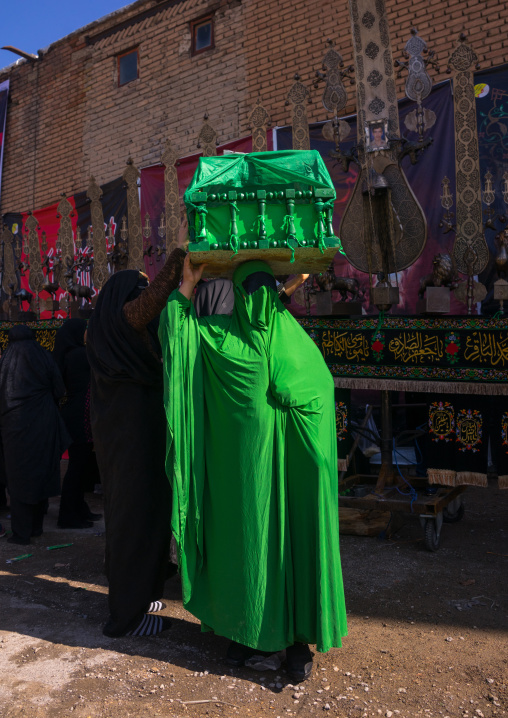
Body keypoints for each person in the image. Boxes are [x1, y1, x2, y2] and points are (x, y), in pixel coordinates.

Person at [159, 257, 347, 682]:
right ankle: (266, 640)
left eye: (263, 292)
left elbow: (178, 330)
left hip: (258, 481)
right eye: (255, 292)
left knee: (259, 547)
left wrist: (186, 287)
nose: (260, 300)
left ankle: (273, 641)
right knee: (269, 550)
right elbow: (319, 393)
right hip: (270, 481)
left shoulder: (224, 343)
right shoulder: (294, 343)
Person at [86, 244, 186, 637]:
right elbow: (146, 307)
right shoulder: (123, 324)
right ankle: (127, 615)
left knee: (144, 519)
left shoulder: (112, 348)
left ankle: (142, 593)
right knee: (133, 522)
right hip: (130, 450)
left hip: (129, 447)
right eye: (136, 290)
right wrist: (178, 258)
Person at [0, 325, 70, 545]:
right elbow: (60, 389)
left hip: (13, 426)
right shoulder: (43, 355)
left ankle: (21, 533)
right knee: (42, 469)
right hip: (44, 422)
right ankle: (37, 527)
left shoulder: (5, 360)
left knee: (18, 476)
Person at [53, 318, 101, 529]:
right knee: (76, 469)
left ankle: (79, 508)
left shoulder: (68, 355)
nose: (86, 334)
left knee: (80, 467)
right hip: (80, 418)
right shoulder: (80, 355)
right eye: (85, 330)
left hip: (74, 416)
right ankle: (67, 516)